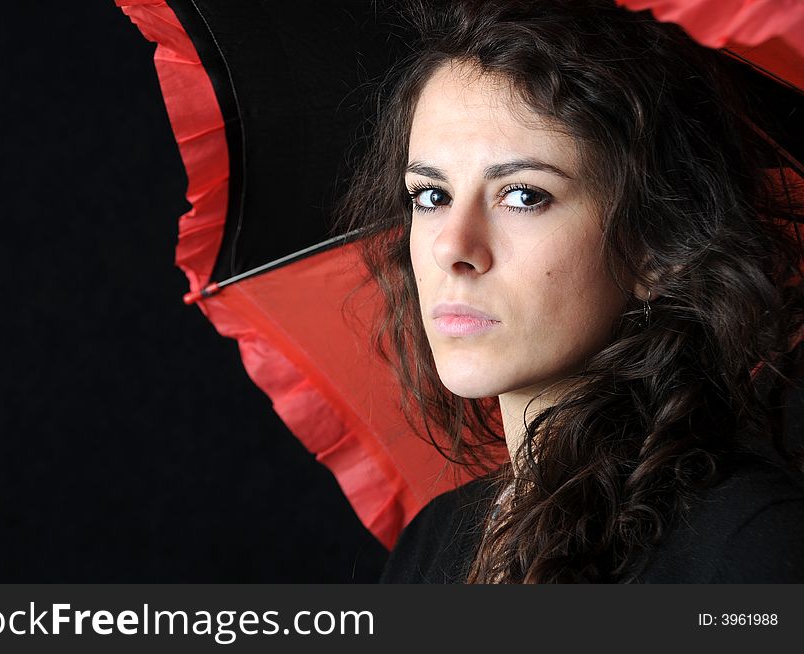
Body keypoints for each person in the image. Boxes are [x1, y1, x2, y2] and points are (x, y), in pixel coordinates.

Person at [332, 0, 804, 583]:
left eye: (524, 195)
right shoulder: (433, 546)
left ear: (652, 249)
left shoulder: (747, 542)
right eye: (431, 195)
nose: (452, 248)